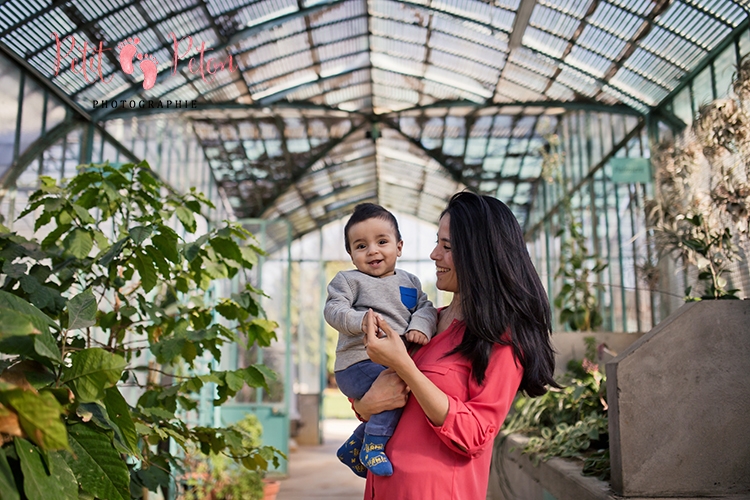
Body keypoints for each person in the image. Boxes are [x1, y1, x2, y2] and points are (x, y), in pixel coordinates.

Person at [352, 191, 558, 499]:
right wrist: (365, 406)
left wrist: (405, 366)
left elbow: (475, 434)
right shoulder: (422, 324)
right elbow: (376, 400)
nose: (435, 254)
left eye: (447, 247)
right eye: (437, 242)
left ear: (479, 256)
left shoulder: (502, 339)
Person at [324, 203, 437, 478]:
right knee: (398, 386)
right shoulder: (349, 281)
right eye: (361, 246)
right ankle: (373, 446)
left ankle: (355, 444)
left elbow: (426, 308)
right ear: (351, 255)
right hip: (358, 362)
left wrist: (420, 326)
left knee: (406, 392)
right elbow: (333, 310)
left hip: (390, 362)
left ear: (399, 246)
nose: (372, 250)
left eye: (382, 241)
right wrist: (359, 321)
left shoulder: (410, 281)